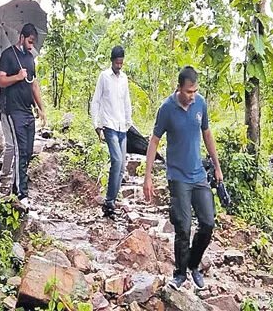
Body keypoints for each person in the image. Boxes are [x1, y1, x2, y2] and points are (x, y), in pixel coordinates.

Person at [143, 66, 224, 290]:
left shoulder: (200, 104)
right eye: (189, 91)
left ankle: (193, 264)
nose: (192, 96)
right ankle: (179, 274)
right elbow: (154, 141)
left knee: (207, 222)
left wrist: (217, 167)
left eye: (195, 91)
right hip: (177, 176)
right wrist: (147, 177)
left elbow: (207, 134)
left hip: (198, 175)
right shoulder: (166, 109)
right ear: (179, 88)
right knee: (183, 226)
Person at [0, 23, 46, 206]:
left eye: (33, 43)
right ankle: (21, 194)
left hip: (27, 111)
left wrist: (41, 108)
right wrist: (16, 77)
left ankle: (18, 189)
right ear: (22, 37)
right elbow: (0, 80)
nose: (31, 46)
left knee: (27, 152)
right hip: (11, 110)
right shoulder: (8, 55)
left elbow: (33, 84)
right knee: (18, 149)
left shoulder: (30, 59)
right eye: (29, 42)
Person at [91, 45, 133, 220]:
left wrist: (129, 121)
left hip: (122, 126)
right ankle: (109, 201)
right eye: (117, 63)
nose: (119, 66)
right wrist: (96, 124)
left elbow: (126, 101)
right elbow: (96, 101)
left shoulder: (124, 78)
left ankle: (111, 203)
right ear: (112, 61)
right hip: (108, 125)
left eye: (121, 63)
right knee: (116, 160)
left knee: (122, 166)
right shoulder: (104, 77)